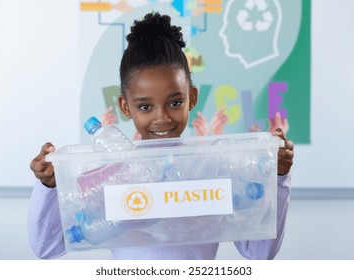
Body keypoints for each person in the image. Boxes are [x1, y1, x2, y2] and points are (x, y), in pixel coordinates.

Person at [28, 12, 294, 260]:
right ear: (125, 107)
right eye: (145, 106)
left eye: (174, 102)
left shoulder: (212, 167)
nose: (162, 118)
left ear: (191, 98)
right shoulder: (109, 173)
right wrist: (49, 187)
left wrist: (278, 177)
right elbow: (47, 247)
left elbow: (260, 253)